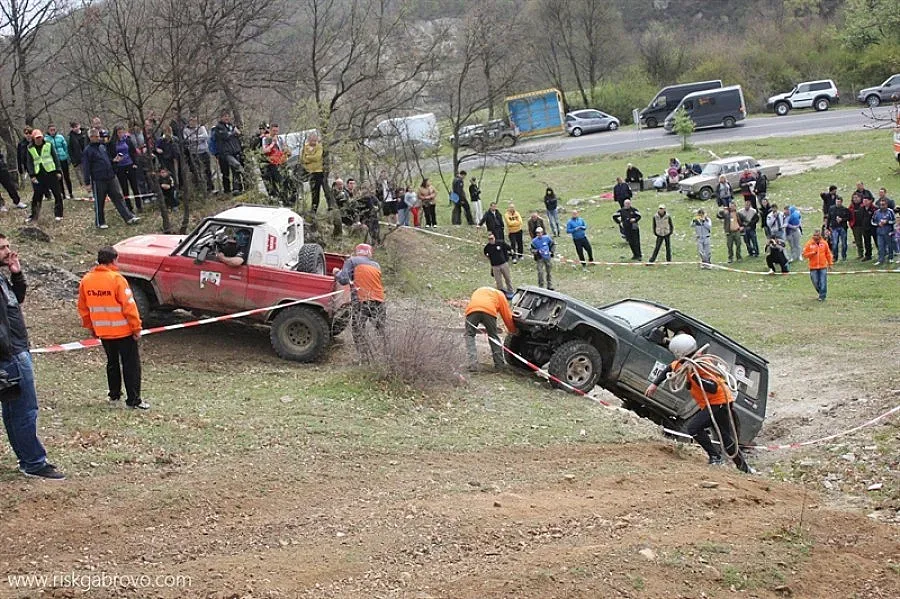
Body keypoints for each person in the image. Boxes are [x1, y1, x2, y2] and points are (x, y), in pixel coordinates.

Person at [0, 235, 64, 479]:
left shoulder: (2, 278)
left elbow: (17, 301)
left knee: (14, 408)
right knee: (25, 409)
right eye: (2, 248)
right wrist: (6, 352)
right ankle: (34, 463)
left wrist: (17, 275)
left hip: (16, 350)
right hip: (11, 353)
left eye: (8, 246)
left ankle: (27, 459)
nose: (8, 251)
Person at [645, 334, 753, 473]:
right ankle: (743, 468)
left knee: (694, 428)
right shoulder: (684, 364)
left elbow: (713, 387)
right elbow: (669, 368)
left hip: (719, 403)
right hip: (714, 404)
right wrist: (654, 385)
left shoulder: (703, 364)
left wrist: (695, 377)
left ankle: (715, 457)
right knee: (725, 437)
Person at [77, 246, 148, 410]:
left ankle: (114, 395)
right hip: (124, 332)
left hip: (103, 332)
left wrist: (92, 327)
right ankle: (133, 400)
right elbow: (129, 306)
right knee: (131, 365)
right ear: (114, 260)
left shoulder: (86, 280)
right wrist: (136, 328)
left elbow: (83, 308)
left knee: (112, 363)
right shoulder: (117, 279)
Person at [334, 243, 386, 362]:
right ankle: (385, 357)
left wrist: (336, 273)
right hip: (379, 300)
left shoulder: (351, 261)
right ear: (369, 253)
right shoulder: (376, 265)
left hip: (362, 301)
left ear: (357, 252)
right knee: (381, 331)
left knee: (358, 330)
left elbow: (343, 280)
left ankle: (364, 359)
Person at [82, 128, 139, 229]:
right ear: (91, 137)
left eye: (99, 136)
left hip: (110, 177)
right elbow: (86, 167)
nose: (99, 138)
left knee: (118, 197)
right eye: (96, 136)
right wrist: (87, 182)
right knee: (100, 201)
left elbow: (108, 160)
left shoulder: (102, 147)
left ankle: (128, 217)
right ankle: (100, 222)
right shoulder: (87, 151)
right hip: (98, 179)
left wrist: (115, 161)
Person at [463, 286, 516, 371]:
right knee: (493, 337)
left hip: (472, 310)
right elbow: (507, 316)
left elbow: (473, 303)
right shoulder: (500, 295)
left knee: (469, 335)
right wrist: (513, 331)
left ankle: (472, 364)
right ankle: (499, 365)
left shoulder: (479, 290)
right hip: (489, 312)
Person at [24, 129, 65, 223]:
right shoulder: (30, 148)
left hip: (51, 172)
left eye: (40, 137)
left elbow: (55, 158)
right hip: (38, 175)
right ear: (33, 139)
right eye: (37, 138)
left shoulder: (49, 144)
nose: (39, 139)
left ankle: (59, 214)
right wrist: (32, 176)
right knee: (37, 196)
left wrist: (58, 171)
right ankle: (34, 215)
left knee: (57, 194)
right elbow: (29, 163)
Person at [107, 125, 141, 214]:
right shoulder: (112, 143)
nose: (121, 134)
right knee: (124, 188)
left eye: (122, 132)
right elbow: (109, 155)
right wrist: (114, 160)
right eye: (119, 132)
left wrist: (135, 163)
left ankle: (139, 205)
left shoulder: (127, 140)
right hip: (120, 167)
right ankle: (129, 207)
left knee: (134, 186)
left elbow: (133, 152)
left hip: (130, 164)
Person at [211, 111, 244, 196]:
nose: (226, 118)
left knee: (235, 171)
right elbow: (225, 136)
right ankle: (227, 190)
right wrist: (233, 132)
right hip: (225, 153)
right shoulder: (218, 128)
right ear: (221, 117)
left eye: (228, 116)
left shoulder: (232, 126)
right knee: (226, 172)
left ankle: (236, 189)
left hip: (234, 151)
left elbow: (239, 136)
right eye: (225, 116)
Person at [182, 116, 214, 193]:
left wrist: (194, 138)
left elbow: (205, 136)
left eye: (195, 120)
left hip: (204, 151)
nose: (193, 122)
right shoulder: (186, 130)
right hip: (194, 153)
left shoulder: (201, 127)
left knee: (207, 170)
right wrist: (198, 138)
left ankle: (210, 187)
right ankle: (200, 189)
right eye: (192, 120)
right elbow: (187, 140)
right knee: (196, 171)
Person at [803, 229, 833, 301]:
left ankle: (822, 296)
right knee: (815, 282)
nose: (815, 237)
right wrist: (812, 253)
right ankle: (821, 292)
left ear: (820, 236)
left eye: (817, 235)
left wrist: (830, 263)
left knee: (823, 281)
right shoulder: (809, 244)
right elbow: (804, 255)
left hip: (823, 266)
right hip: (813, 267)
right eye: (814, 235)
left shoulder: (824, 243)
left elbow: (828, 254)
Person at [46, 124, 74, 200]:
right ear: (48, 131)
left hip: (63, 159)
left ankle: (71, 193)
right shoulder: (46, 139)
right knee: (59, 178)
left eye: (54, 130)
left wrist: (66, 156)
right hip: (54, 161)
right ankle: (63, 194)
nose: (52, 131)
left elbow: (65, 147)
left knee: (67, 177)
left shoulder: (60, 137)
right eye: (51, 130)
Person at [872, 198, 896, 266]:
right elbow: (872, 221)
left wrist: (887, 222)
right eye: (881, 205)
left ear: (886, 205)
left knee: (889, 245)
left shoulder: (890, 211)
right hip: (879, 232)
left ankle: (890, 258)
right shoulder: (876, 212)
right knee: (880, 246)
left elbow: (894, 221)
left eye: (883, 205)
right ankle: (880, 259)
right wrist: (878, 224)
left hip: (888, 232)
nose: (882, 206)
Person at [826, 196, 851, 261]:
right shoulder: (831, 208)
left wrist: (842, 219)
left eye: (839, 202)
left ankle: (844, 256)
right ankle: (835, 256)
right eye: (837, 202)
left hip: (843, 228)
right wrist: (827, 227)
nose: (838, 203)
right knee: (835, 243)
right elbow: (829, 218)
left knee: (844, 243)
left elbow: (849, 218)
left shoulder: (845, 209)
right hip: (834, 228)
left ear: (841, 202)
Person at [68, 122, 87, 187]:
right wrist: (74, 161)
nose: (75, 128)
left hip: (88, 156)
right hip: (79, 159)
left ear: (79, 125)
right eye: (73, 127)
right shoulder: (71, 137)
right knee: (84, 175)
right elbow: (70, 150)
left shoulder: (85, 133)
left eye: (76, 126)